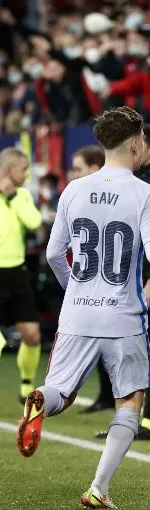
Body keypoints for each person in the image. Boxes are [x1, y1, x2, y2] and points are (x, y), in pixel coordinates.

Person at [17, 107, 150, 509]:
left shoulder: (74, 190)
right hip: (123, 317)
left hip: (78, 312)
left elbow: (53, 253)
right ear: (137, 143)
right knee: (130, 400)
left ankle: (41, 397)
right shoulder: (146, 193)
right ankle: (99, 487)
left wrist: (74, 290)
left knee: (62, 390)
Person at [91, 125, 150, 440]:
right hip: (129, 280)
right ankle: (128, 421)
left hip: (149, 281)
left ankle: (149, 422)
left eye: (140, 144)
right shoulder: (142, 183)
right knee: (128, 351)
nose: (135, 150)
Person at [0, 147, 43, 403]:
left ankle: (26, 384)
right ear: (8, 169)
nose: (26, 175)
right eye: (23, 169)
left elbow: (34, 222)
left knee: (32, 335)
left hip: (17, 274)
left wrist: (13, 196)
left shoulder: (22, 195)